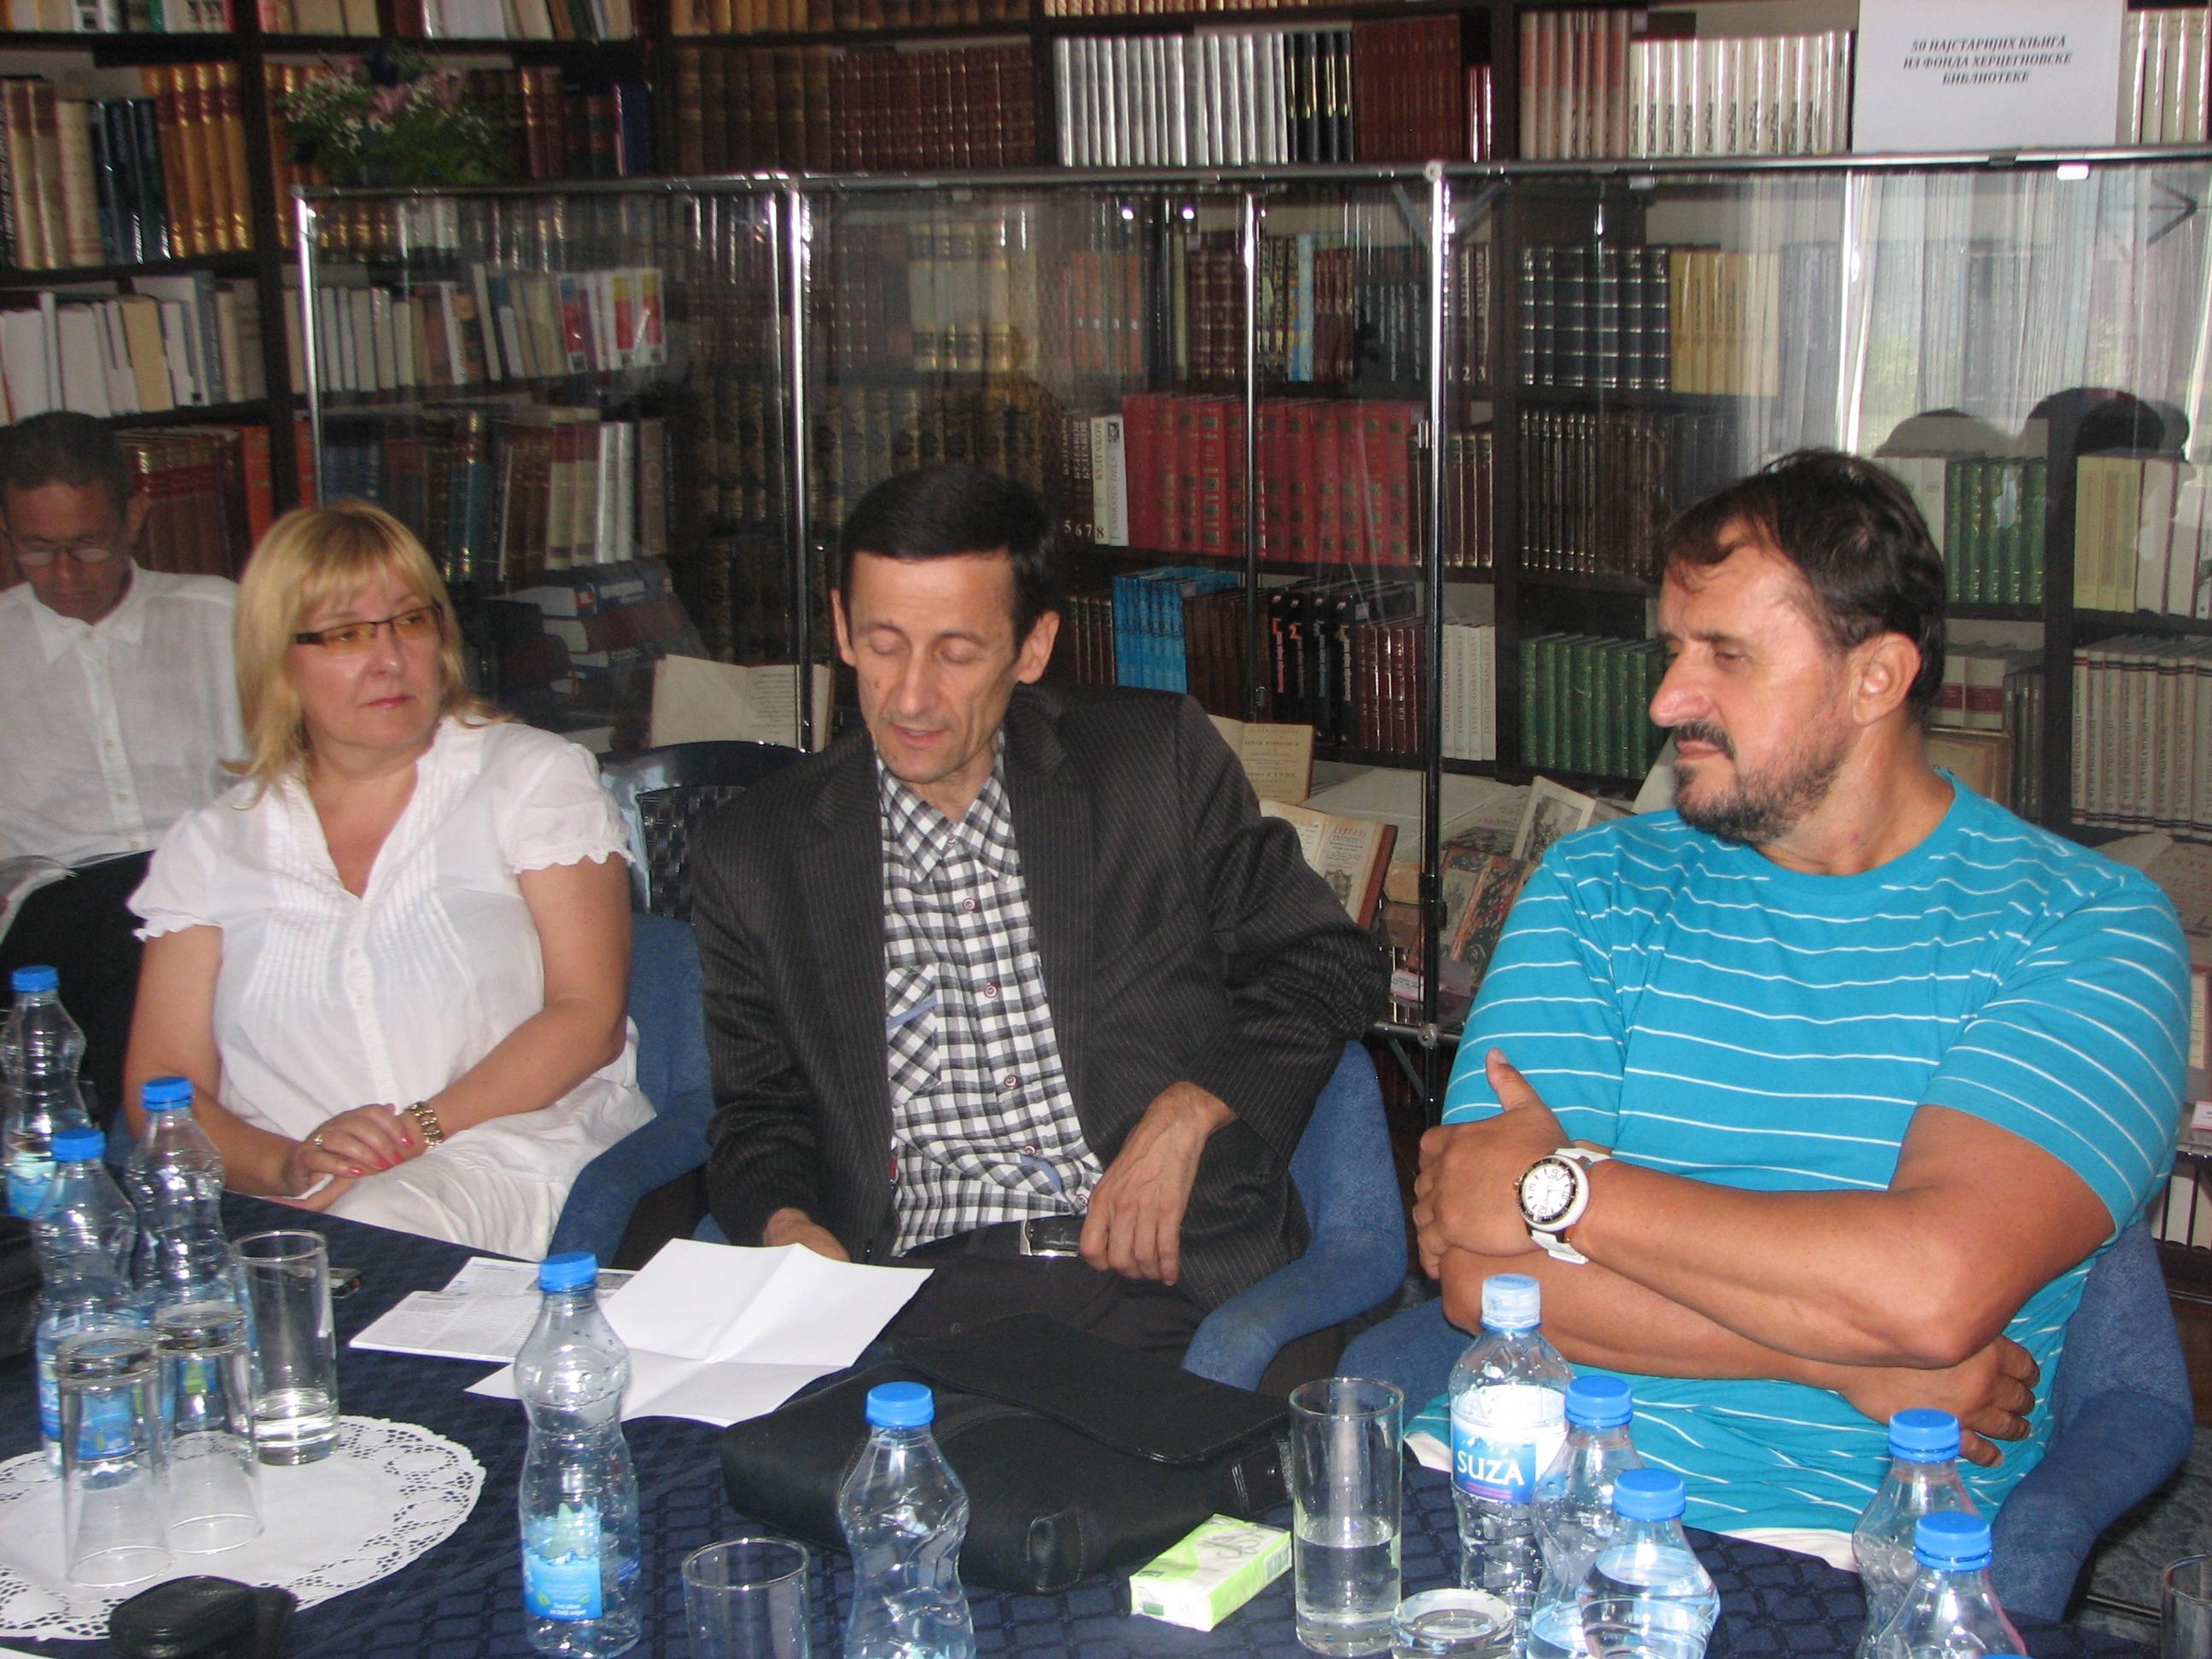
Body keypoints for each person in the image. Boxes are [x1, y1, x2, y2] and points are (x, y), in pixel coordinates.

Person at [1362, 450, 2188, 1560]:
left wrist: (1558, 1187)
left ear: (1876, 677)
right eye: (1672, 651)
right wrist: (1838, 1358)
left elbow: (1930, 1291)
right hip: (1500, 1486)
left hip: (1839, 1543)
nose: (1667, 700)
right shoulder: (1596, 889)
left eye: (1727, 657)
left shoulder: (2084, 928)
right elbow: (1483, 1277)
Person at [692, 464, 1388, 1358]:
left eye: (955, 653)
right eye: (884, 644)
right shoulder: (756, 852)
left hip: (1154, 1272)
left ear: (1033, 647)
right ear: (840, 627)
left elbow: (1328, 962)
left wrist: (1187, 1111)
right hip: (913, 1283)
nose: (910, 697)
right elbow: (759, 1114)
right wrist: (789, 1228)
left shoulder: (1150, 766)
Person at [121, 501, 652, 1260]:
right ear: (278, 659)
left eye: (409, 620)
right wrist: (289, 1162)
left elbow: (587, 1017)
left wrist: (414, 1132)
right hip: (292, 1191)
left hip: (504, 1150)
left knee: (368, 1231)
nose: (390, 658)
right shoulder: (210, 844)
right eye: (345, 634)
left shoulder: (529, 778)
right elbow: (164, 1088)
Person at [0, 411, 243, 1125]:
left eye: (87, 544)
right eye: (36, 549)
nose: (65, 574)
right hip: (58, 903)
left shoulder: (219, 618)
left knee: (169, 923)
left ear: (134, 517)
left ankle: (141, 1147)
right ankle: (154, 1143)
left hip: (215, 883)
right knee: (129, 933)